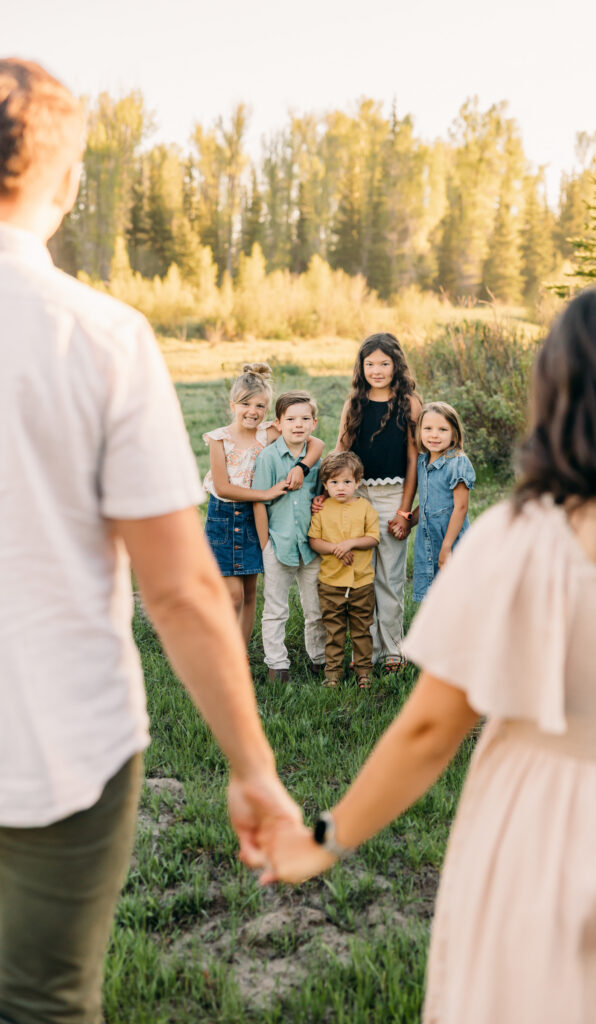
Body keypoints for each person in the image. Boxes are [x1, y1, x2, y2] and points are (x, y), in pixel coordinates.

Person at [258, 286, 596, 1024]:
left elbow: (429, 731)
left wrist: (324, 838)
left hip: (543, 825)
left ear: (554, 389)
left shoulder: (524, 539)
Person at [0, 59, 298, 1024]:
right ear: (70, 181)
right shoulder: (97, 337)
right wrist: (252, 769)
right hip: (58, 749)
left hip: (61, 748)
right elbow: (178, 590)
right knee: (45, 1003)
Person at [202, 362, 323, 646]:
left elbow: (316, 443)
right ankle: (223, 647)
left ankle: (240, 654)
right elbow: (222, 487)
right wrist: (266, 494)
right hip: (224, 518)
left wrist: (302, 468)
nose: (252, 412)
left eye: (260, 406)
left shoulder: (267, 434)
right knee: (233, 596)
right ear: (233, 404)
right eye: (246, 404)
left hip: (255, 517)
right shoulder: (219, 439)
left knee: (251, 593)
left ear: (267, 411)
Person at [332, 332, 422, 672]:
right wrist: (326, 496)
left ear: (396, 365)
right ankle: (364, 653)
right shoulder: (354, 402)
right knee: (360, 578)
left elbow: (414, 461)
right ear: (361, 367)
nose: (377, 370)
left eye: (384, 363)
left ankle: (393, 651)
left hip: (392, 496)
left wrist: (404, 511)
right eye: (370, 364)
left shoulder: (409, 403)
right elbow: (341, 451)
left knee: (390, 578)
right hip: (356, 496)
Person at [252, 390, 326, 682]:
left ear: (314, 423)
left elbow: (321, 492)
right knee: (275, 608)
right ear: (278, 423)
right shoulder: (269, 458)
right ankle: (277, 664)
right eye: (291, 419)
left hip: (310, 546)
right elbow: (259, 500)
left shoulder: (315, 457)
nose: (298, 424)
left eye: (305, 418)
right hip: (278, 543)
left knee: (315, 607)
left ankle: (319, 658)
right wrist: (265, 544)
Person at [308, 451, 380, 689]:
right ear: (325, 485)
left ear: (357, 483)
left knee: (361, 630)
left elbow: (373, 538)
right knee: (334, 630)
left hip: (361, 582)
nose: (341, 487)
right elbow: (314, 541)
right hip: (331, 583)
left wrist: (350, 543)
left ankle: (364, 672)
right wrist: (336, 549)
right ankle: (333, 674)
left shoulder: (365, 507)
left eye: (347, 482)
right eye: (334, 482)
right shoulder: (321, 510)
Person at [410, 402, 475, 602]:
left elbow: (461, 507)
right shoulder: (422, 461)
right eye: (428, 429)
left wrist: (447, 546)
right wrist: (409, 520)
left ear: (454, 434)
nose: (434, 435)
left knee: (454, 595)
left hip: (449, 537)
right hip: (428, 539)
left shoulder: (457, 463)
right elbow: (428, 503)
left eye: (442, 429)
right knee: (432, 598)